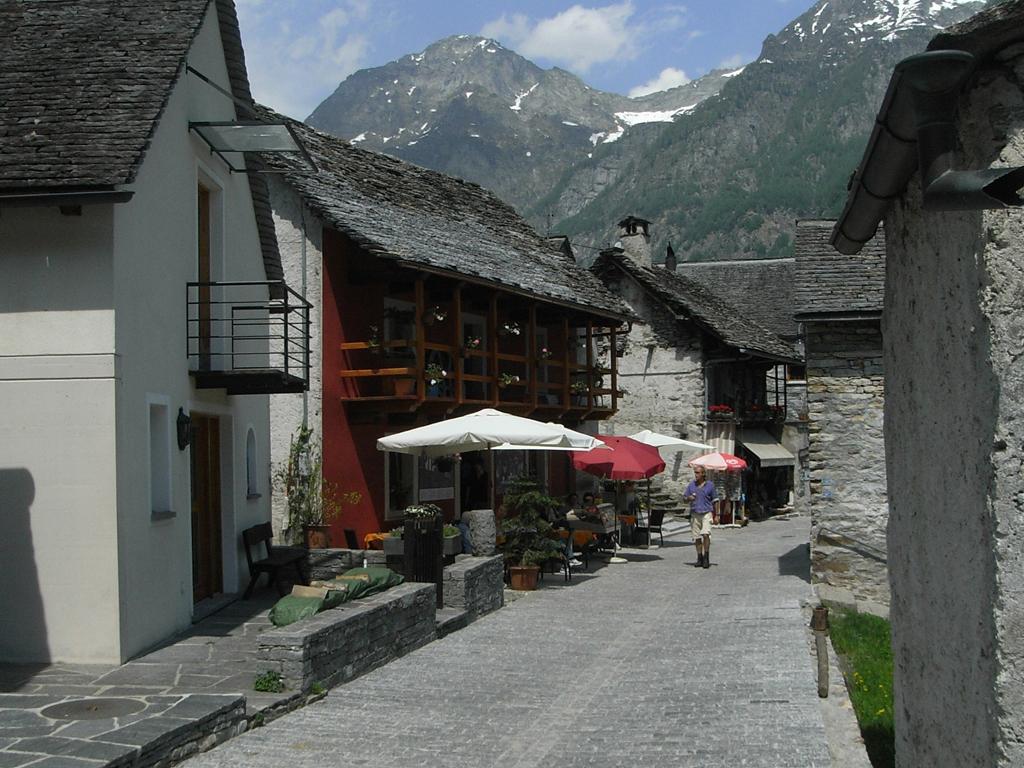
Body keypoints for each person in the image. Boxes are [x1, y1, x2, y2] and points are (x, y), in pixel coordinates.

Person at [684, 465, 718, 568]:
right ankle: (699, 558)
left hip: (706, 513)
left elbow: (716, 500)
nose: (696, 475)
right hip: (695, 513)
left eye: (698, 473)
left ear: (703, 474)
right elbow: (684, 499)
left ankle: (706, 557)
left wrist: (717, 515)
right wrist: (688, 498)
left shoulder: (710, 485)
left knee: (706, 534)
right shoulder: (691, 485)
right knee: (697, 537)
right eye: (695, 472)